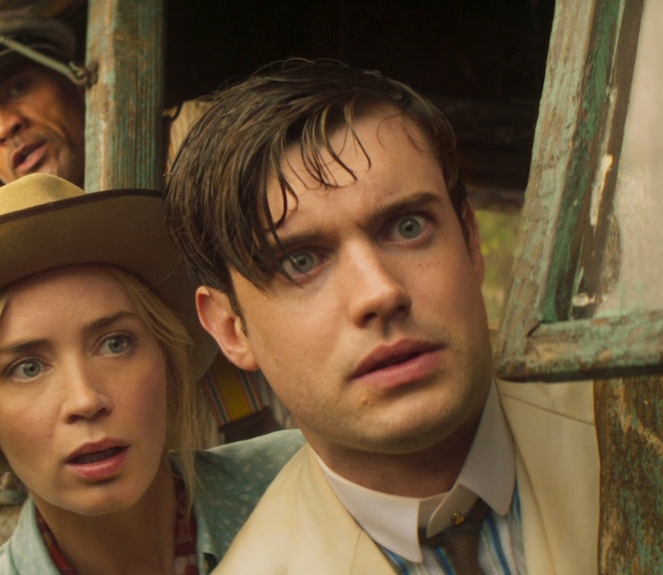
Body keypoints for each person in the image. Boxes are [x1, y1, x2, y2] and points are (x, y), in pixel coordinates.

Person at [164, 58, 599, 574]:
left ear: (471, 240)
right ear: (230, 329)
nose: (380, 292)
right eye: (300, 261)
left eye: (408, 226)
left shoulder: (633, 416)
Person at [0, 173, 303, 574]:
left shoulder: (305, 480)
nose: (86, 399)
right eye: (27, 368)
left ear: (168, 363)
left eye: (116, 344)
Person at [0, 14, 282, 442]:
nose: (5, 126)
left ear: (77, 79)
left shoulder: (195, 143)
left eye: (19, 87)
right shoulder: (5, 253)